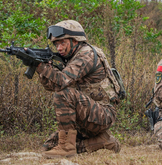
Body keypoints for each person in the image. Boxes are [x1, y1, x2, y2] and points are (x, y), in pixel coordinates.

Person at [28, 20, 121, 158]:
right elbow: (52, 86)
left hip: (103, 114)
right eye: (56, 44)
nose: (58, 48)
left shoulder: (86, 54)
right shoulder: (72, 57)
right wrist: (41, 70)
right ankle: (102, 142)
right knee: (49, 146)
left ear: (76, 41)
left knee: (63, 94)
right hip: (88, 114)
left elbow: (61, 82)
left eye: (62, 43)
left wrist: (42, 67)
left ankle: (67, 148)